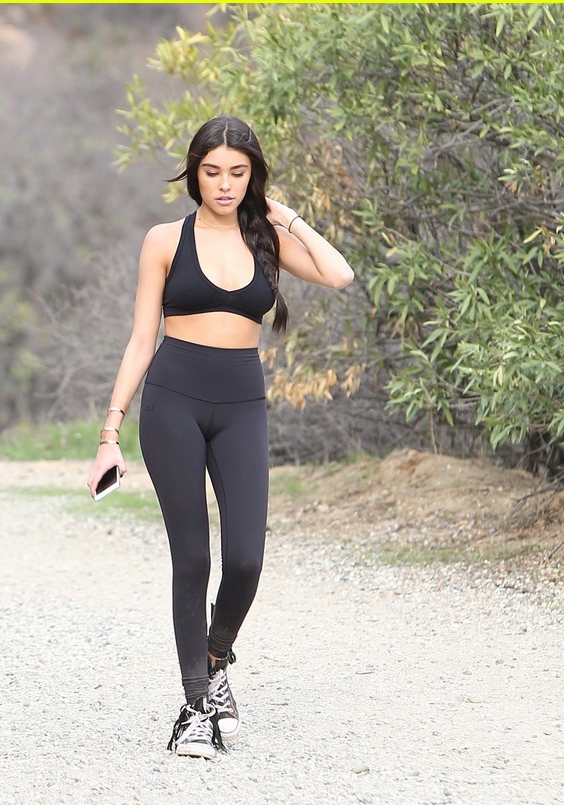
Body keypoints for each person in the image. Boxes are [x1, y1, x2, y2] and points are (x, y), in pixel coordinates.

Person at [86, 115, 355, 759]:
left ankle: (214, 659)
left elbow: (339, 273)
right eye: (213, 171)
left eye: (239, 173)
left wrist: (282, 212)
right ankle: (194, 707)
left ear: (253, 176)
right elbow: (141, 340)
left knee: (246, 560)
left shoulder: (267, 239)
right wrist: (109, 433)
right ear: (194, 172)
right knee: (193, 557)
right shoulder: (164, 240)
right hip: (172, 402)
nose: (225, 184)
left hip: (242, 404)